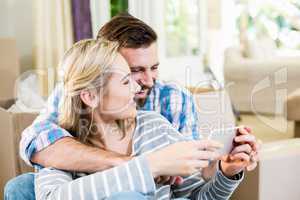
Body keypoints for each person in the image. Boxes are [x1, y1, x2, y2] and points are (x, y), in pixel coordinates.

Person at [4, 13, 259, 200]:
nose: (144, 84)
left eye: (154, 67)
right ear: (89, 95)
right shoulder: (62, 137)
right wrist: (148, 165)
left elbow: (190, 190)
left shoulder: (157, 123)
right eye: (131, 75)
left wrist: (224, 172)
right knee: (21, 187)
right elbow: (37, 146)